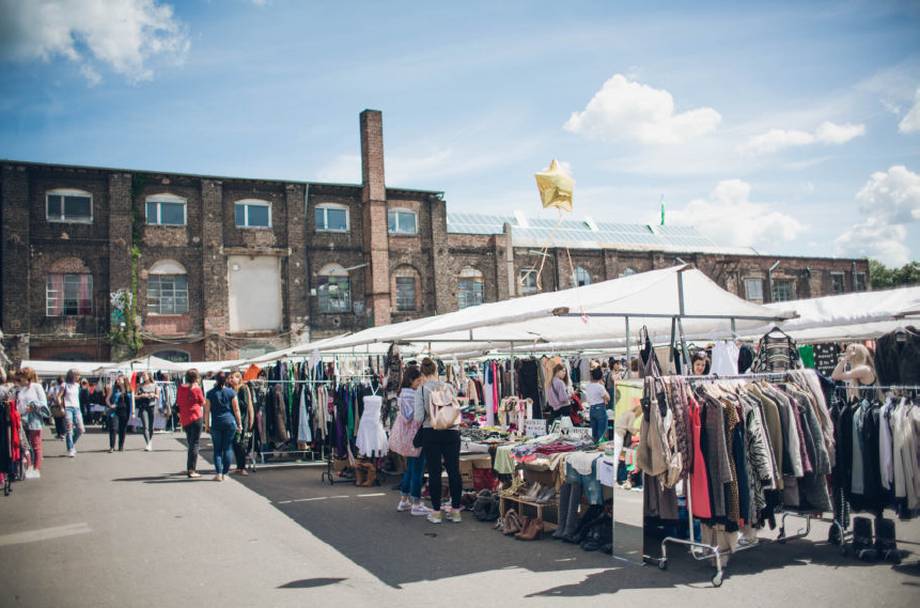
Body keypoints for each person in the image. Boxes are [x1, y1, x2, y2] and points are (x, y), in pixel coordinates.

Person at [416, 357, 462, 524]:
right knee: (454, 471)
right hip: (452, 431)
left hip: (432, 432)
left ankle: (436, 513)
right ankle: (456, 511)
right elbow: (456, 408)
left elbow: (418, 417)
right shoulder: (449, 386)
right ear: (437, 370)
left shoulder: (421, 390)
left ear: (422, 372)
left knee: (434, 472)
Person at [395, 365, 430, 516]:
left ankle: (404, 500)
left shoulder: (403, 394)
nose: (420, 383)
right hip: (416, 436)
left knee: (411, 467)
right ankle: (416, 503)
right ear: (411, 380)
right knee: (418, 469)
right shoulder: (413, 395)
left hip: (407, 437)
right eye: (418, 380)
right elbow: (411, 416)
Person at [204, 372, 241, 482]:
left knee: (217, 450)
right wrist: (239, 424)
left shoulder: (210, 393)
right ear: (226, 380)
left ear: (215, 380)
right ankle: (225, 473)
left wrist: (206, 425)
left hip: (216, 424)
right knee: (228, 448)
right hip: (230, 422)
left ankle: (219, 474)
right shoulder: (231, 392)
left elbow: (207, 411)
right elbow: (236, 409)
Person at [16, 367, 48, 478]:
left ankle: (36, 469)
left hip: (34, 419)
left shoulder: (37, 387)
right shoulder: (19, 389)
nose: (20, 379)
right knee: (24, 445)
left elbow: (44, 403)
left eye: (22, 377)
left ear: (28, 377)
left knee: (36, 445)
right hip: (21, 419)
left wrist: (33, 405)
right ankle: (29, 467)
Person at [176, 369, 206, 478]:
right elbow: (202, 402)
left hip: (185, 418)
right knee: (195, 444)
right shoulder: (196, 389)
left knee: (191, 443)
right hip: (196, 417)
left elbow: (178, 402)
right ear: (196, 378)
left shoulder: (180, 388)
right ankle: (191, 469)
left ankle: (190, 467)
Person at [228, 371, 253, 476]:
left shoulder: (243, 388)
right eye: (229, 378)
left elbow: (245, 405)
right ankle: (239, 467)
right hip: (234, 420)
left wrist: (234, 399)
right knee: (235, 444)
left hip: (242, 420)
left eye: (232, 377)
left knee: (240, 443)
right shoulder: (232, 389)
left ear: (239, 378)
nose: (230, 379)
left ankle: (242, 467)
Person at [135, 372, 161, 451]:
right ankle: (148, 443)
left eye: (144, 375)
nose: (143, 377)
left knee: (151, 427)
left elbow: (158, 396)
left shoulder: (155, 385)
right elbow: (135, 396)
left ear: (149, 376)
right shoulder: (140, 385)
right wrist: (141, 395)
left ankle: (150, 441)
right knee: (145, 426)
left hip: (152, 407)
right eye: (142, 376)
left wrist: (153, 395)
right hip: (143, 407)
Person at [584, 366, 611, 443]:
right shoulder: (600, 387)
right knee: (602, 432)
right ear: (600, 377)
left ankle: (595, 446)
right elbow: (608, 398)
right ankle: (601, 447)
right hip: (600, 408)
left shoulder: (588, 386)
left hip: (592, 409)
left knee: (594, 432)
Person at [61, 369, 84, 457]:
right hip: (68, 408)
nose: (78, 376)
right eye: (76, 375)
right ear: (71, 375)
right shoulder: (65, 385)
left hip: (77, 408)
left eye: (79, 375)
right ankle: (71, 448)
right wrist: (61, 407)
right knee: (69, 430)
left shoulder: (77, 385)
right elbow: (58, 396)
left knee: (81, 429)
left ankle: (71, 444)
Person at [106, 375, 131, 452]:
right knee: (114, 428)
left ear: (124, 381)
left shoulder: (128, 390)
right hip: (115, 411)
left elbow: (131, 400)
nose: (118, 381)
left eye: (120, 379)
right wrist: (110, 405)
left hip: (125, 411)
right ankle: (112, 447)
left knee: (122, 429)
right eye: (118, 379)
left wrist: (132, 412)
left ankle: (121, 446)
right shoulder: (113, 388)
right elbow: (107, 399)